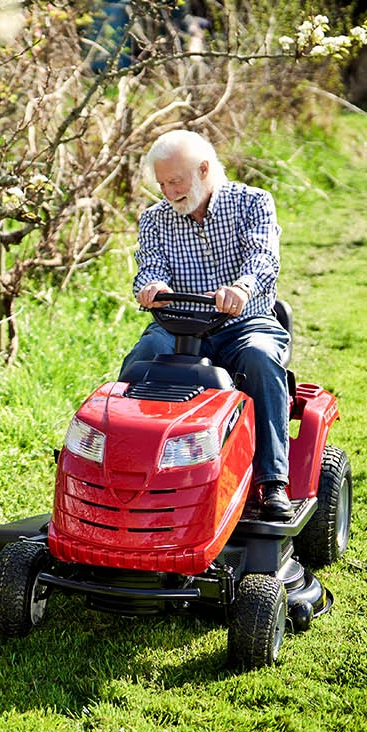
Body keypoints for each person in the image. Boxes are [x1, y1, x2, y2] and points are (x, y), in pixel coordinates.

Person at [123, 129, 294, 520]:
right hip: (179, 327)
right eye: (162, 183)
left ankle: (272, 482)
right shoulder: (154, 220)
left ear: (203, 169)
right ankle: (127, 469)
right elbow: (148, 266)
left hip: (245, 324)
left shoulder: (253, 203)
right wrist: (151, 285)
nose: (168, 192)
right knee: (145, 355)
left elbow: (263, 258)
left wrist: (240, 287)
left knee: (260, 358)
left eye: (176, 181)